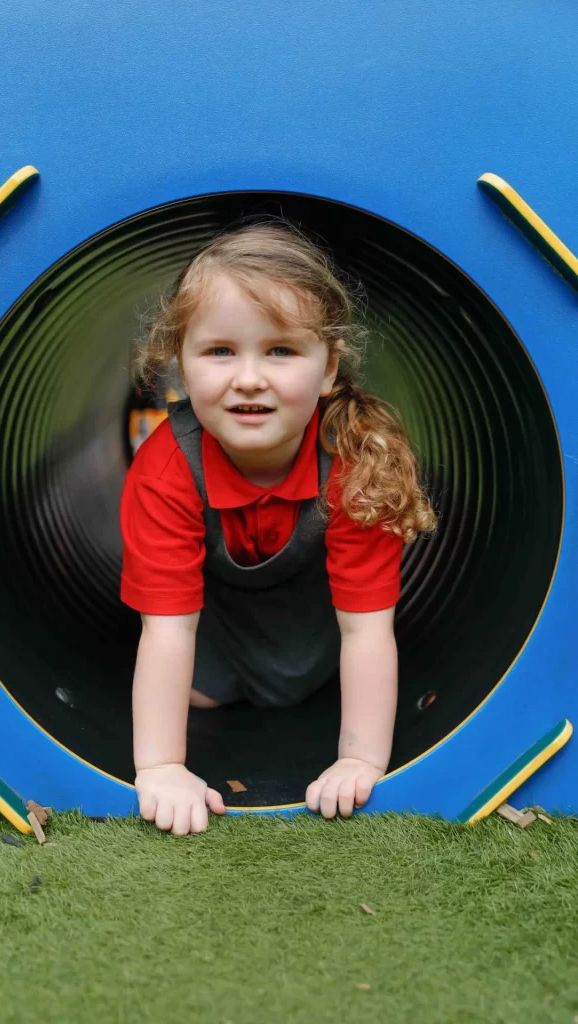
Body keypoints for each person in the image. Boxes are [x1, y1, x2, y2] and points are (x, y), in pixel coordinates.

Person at [120, 219, 436, 836]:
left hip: (313, 634)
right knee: (195, 691)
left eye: (281, 350)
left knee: (307, 686)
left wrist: (359, 759)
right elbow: (166, 630)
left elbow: (367, 629)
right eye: (220, 350)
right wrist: (160, 767)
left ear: (327, 369)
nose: (249, 378)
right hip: (216, 627)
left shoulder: (354, 462)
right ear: (179, 368)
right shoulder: (165, 470)